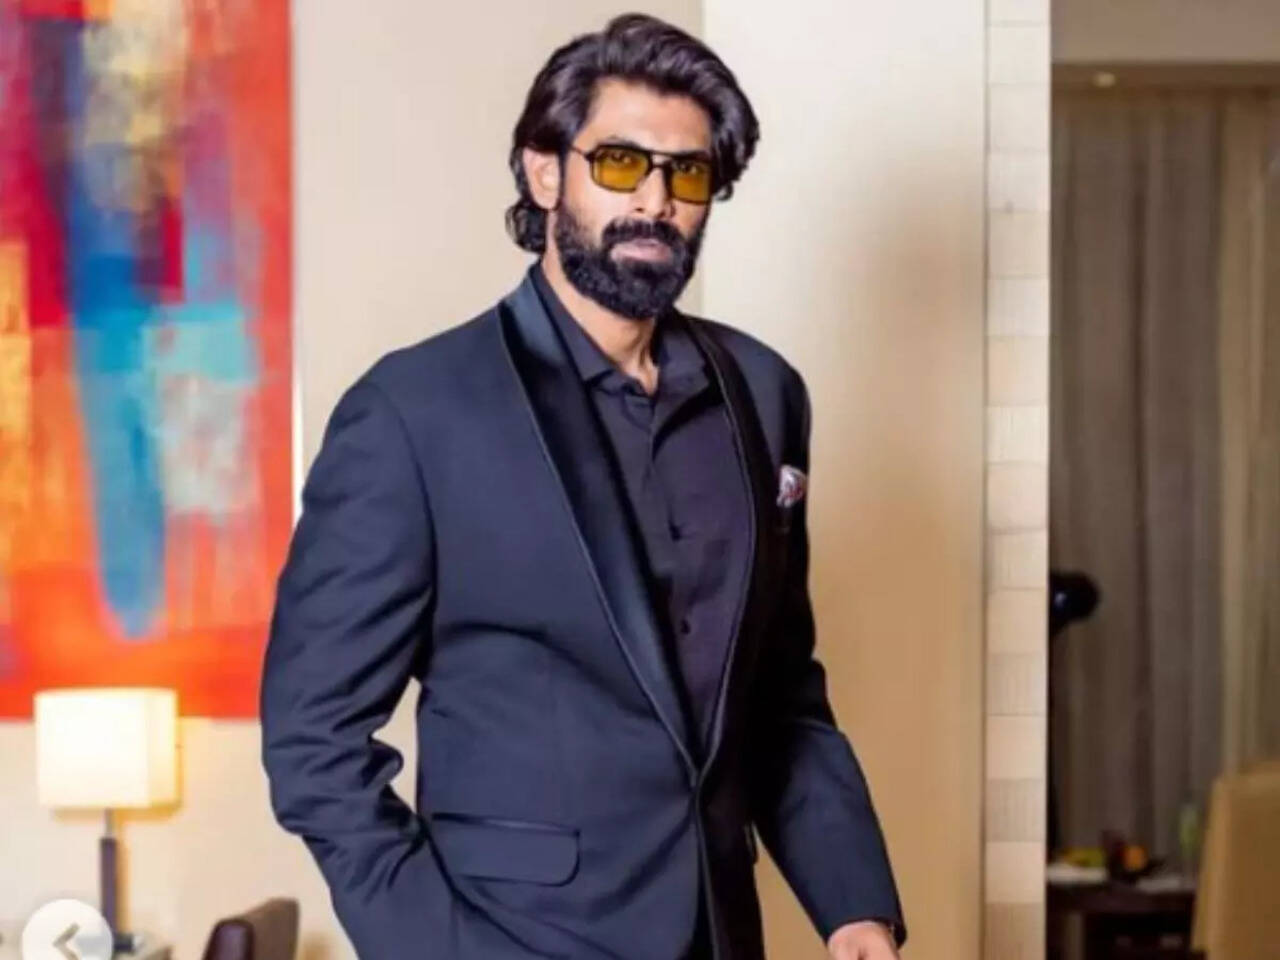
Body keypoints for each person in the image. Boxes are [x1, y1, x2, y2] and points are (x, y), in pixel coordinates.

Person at [260, 13, 906, 960]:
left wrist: (854, 907)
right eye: (619, 163)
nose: (655, 200)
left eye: (687, 174)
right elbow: (313, 740)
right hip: (511, 936)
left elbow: (778, 691)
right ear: (543, 172)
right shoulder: (414, 412)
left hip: (722, 935)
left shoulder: (765, 394)